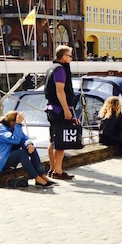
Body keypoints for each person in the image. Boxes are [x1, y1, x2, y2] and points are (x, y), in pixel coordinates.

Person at [0, 110, 55, 188]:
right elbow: (15, 140)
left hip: (7, 157)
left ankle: (42, 175)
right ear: (12, 122)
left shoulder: (14, 128)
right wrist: (18, 125)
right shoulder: (0, 130)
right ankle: (36, 177)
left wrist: (29, 144)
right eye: (17, 122)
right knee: (21, 153)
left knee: (32, 148)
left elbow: (24, 138)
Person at [44, 45, 77, 180]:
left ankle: (52, 169)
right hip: (59, 109)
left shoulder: (51, 68)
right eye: (70, 56)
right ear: (63, 57)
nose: (71, 58)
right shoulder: (60, 70)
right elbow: (60, 91)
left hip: (51, 108)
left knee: (53, 139)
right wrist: (66, 110)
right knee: (61, 141)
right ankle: (58, 171)